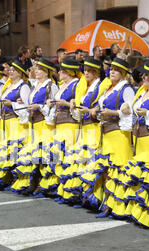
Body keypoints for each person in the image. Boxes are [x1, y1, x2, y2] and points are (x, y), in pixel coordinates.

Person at [108, 59, 149, 227]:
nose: (143, 77)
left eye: (147, 75)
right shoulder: (141, 93)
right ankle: (140, 214)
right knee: (140, 175)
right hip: (140, 139)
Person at [83, 58, 135, 216]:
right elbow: (102, 105)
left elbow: (130, 112)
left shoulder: (126, 89)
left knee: (117, 169)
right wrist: (95, 109)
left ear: (123, 73)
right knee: (106, 169)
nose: (112, 72)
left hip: (119, 133)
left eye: (116, 70)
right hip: (106, 133)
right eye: (111, 69)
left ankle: (117, 206)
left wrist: (112, 113)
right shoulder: (108, 89)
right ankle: (107, 203)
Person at [9, 58, 58, 195]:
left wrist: (40, 106)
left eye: (40, 69)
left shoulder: (50, 86)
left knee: (44, 154)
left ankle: (46, 184)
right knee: (34, 154)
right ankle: (35, 182)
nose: (36, 71)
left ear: (47, 72)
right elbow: (30, 102)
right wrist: (23, 101)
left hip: (44, 124)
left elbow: (53, 107)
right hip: (33, 123)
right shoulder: (35, 85)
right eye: (36, 69)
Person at [61, 57, 105, 207]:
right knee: (81, 161)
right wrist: (73, 104)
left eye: (90, 70)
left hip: (94, 127)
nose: (86, 73)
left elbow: (101, 104)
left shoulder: (100, 86)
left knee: (91, 162)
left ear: (96, 72)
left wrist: (92, 110)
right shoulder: (85, 88)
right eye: (85, 70)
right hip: (84, 128)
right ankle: (84, 195)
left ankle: (93, 197)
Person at [0, 60, 32, 190]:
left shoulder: (23, 87)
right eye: (10, 70)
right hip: (5, 122)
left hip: (16, 123)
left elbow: (27, 108)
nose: (10, 72)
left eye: (13, 70)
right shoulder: (8, 86)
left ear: (20, 73)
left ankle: (14, 177)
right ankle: (6, 177)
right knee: (6, 149)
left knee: (15, 150)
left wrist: (12, 104)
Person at [48, 58, 81, 204]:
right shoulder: (63, 85)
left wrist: (67, 104)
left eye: (62, 70)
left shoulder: (76, 85)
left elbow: (77, 105)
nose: (59, 72)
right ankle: (62, 189)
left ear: (69, 72)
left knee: (67, 157)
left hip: (70, 123)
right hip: (60, 123)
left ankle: (70, 193)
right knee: (59, 156)